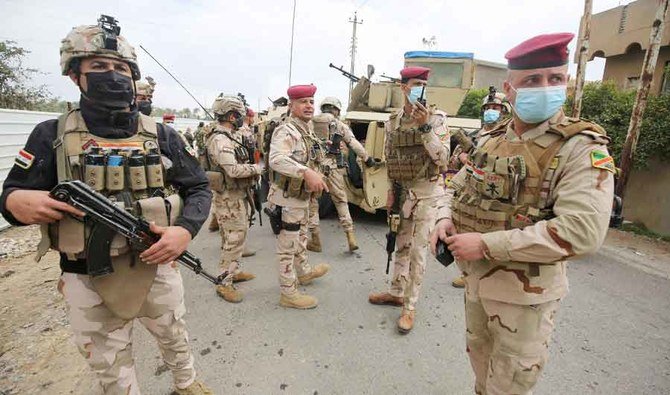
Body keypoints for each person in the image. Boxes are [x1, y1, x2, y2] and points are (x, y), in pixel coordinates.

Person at [0, 17, 213, 395]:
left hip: (155, 262)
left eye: (120, 68)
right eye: (98, 66)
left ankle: (186, 383)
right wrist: (16, 201)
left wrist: (184, 230)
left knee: (174, 333)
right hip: (85, 274)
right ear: (74, 75)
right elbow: (13, 194)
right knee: (109, 363)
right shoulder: (52, 134)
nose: (112, 75)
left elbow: (198, 188)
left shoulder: (161, 134)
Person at [430, 32, 614, 394]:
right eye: (532, 80)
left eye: (555, 79)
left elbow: (583, 232)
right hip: (478, 286)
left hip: (526, 300)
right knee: (482, 377)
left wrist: (485, 244)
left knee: (509, 386)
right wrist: (442, 218)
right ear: (509, 88)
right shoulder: (492, 140)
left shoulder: (580, 148)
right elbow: (451, 187)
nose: (545, 88)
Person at [368, 66, 450, 333]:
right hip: (403, 191)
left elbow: (443, 159)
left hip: (428, 192)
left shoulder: (436, 118)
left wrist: (425, 126)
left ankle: (410, 306)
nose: (419, 88)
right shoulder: (393, 121)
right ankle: (396, 292)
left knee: (418, 252)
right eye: (415, 84)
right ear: (403, 87)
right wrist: (391, 190)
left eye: (423, 84)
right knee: (400, 244)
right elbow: (391, 157)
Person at [267, 84, 330, 309]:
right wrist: (306, 172)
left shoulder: (306, 129)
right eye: (303, 102)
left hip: (302, 197)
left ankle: (303, 272)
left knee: (301, 238)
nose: (309, 106)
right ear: (291, 105)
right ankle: (288, 293)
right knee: (287, 245)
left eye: (311, 102)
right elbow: (276, 159)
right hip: (287, 199)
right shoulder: (286, 130)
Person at [449, 89, 511, 289]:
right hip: (467, 189)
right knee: (466, 228)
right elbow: (453, 161)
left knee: (487, 231)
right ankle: (468, 272)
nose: (491, 112)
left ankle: (485, 272)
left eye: (496, 108)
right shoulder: (475, 135)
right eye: (488, 108)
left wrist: (476, 163)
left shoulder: (506, 137)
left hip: (490, 191)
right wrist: (460, 159)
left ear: (504, 111)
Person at [203, 96, 261, 303]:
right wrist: (257, 168)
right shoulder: (221, 139)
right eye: (239, 115)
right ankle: (224, 282)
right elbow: (233, 170)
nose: (241, 119)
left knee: (237, 236)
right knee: (234, 240)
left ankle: (234, 271)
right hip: (229, 197)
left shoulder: (229, 136)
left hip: (237, 195)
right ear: (232, 116)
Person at [307, 96, 378, 252]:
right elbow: (354, 144)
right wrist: (367, 159)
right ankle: (350, 237)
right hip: (334, 168)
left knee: (312, 203)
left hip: (315, 169)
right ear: (337, 110)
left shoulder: (310, 123)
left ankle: (316, 240)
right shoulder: (339, 125)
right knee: (341, 201)